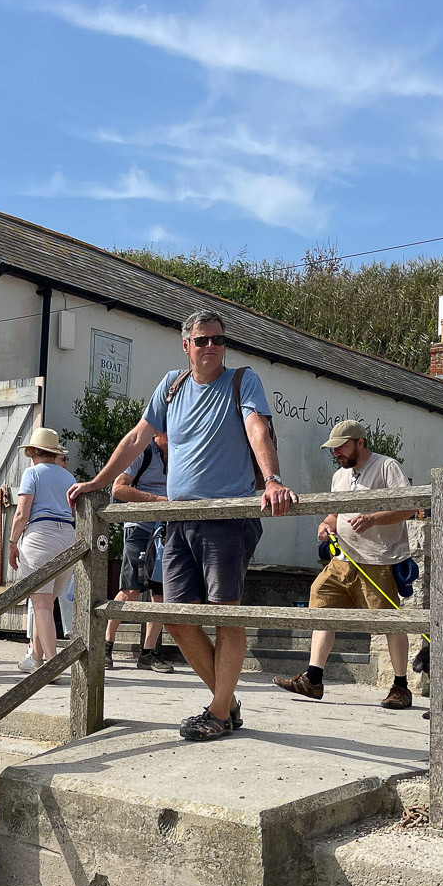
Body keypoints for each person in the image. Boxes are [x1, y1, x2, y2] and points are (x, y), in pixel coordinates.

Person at [68, 309, 296, 741]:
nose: (212, 347)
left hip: (226, 516)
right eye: (203, 339)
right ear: (186, 345)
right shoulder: (171, 387)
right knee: (174, 616)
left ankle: (217, 711)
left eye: (219, 340)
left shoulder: (241, 381)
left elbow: (257, 429)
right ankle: (225, 705)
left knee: (226, 615)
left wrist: (272, 479)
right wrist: (99, 481)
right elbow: (138, 437)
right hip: (177, 519)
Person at [274, 421, 418, 710]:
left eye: (340, 447)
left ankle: (401, 687)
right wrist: (325, 526)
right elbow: (334, 514)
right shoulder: (339, 476)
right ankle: (313, 679)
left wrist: (373, 518)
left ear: (359, 442)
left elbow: (409, 506)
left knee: (389, 622)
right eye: (333, 449)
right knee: (322, 604)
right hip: (344, 559)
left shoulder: (387, 467)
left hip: (378, 560)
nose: (336, 453)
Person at [104, 430, 174, 673]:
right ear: (159, 433)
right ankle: (106, 646)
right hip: (139, 528)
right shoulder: (142, 453)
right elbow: (118, 489)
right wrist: (155, 500)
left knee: (160, 593)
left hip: (165, 530)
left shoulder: (179, 454)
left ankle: (148, 654)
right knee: (130, 589)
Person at [9, 429, 77, 672]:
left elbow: (21, 513)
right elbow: (74, 513)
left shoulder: (32, 473)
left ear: (34, 452)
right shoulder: (69, 478)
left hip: (40, 535)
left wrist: (12, 542)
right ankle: (36, 659)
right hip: (68, 536)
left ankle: (52, 665)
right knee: (47, 602)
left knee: (41, 604)